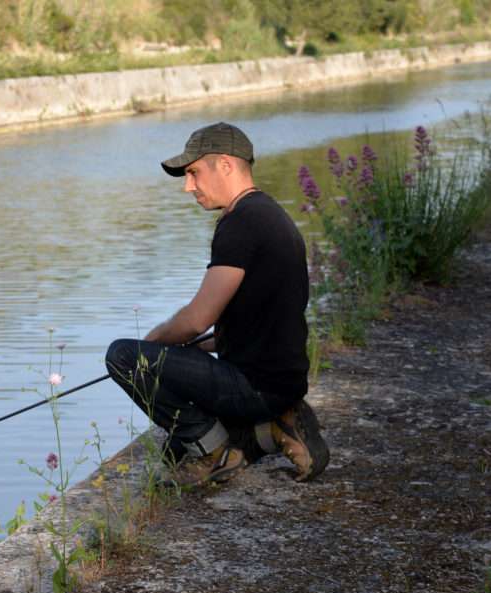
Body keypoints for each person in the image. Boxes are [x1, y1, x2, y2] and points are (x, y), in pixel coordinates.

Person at [105, 121, 329, 484]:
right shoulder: (271, 214)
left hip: (254, 386)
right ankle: (276, 425)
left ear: (225, 164)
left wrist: (152, 344)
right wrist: (207, 344)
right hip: (283, 380)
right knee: (173, 450)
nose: (188, 186)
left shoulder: (240, 222)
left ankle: (216, 453)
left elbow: (198, 318)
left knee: (123, 356)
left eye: (194, 172)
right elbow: (259, 319)